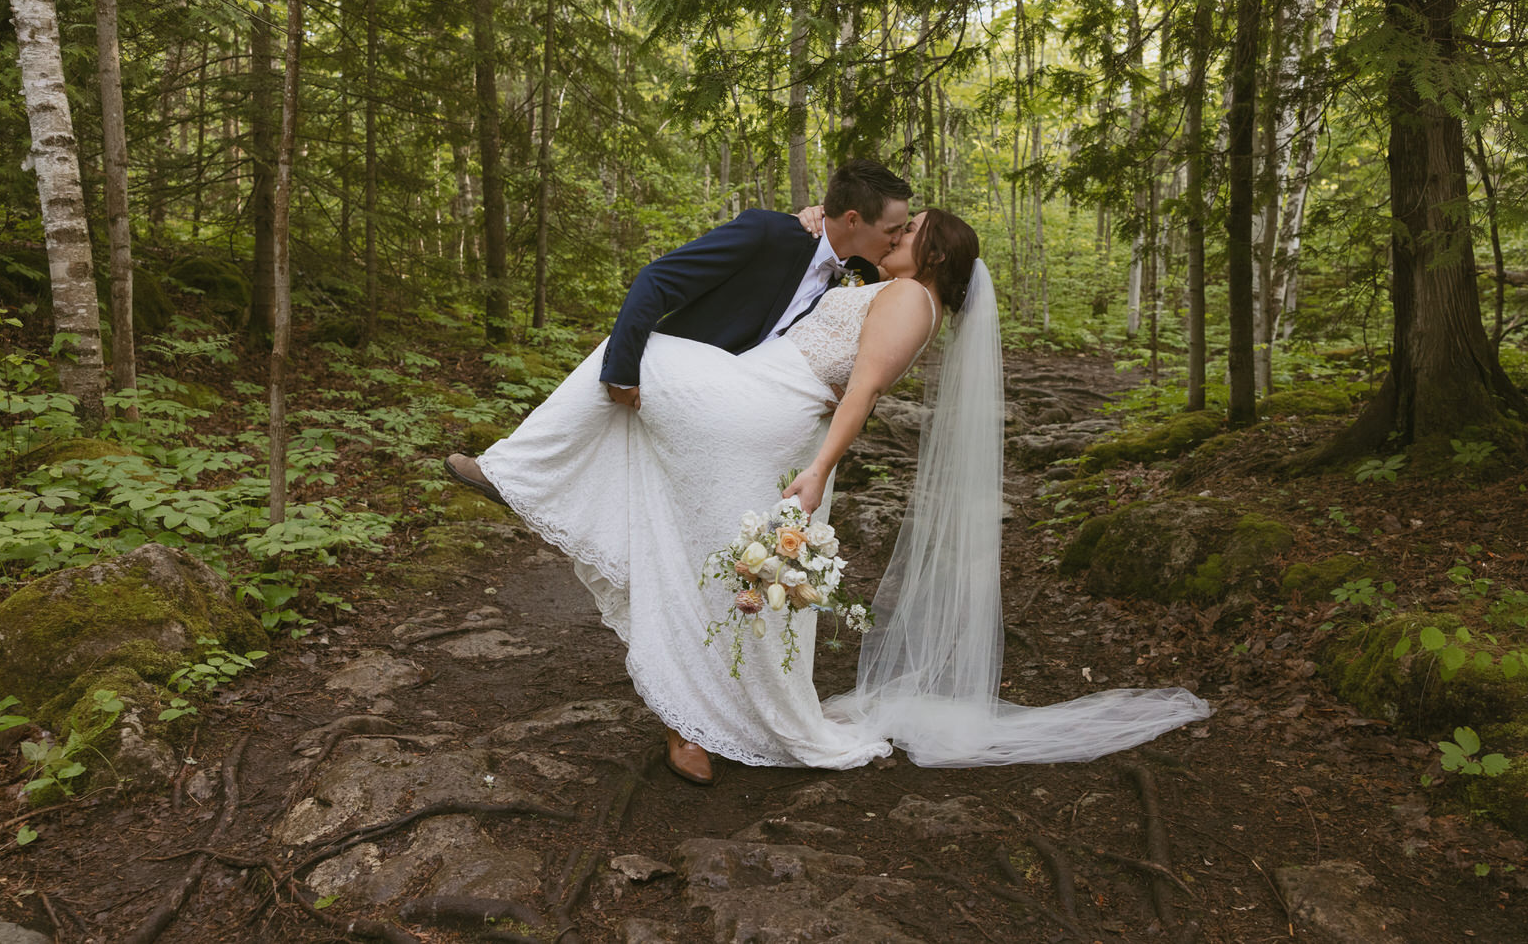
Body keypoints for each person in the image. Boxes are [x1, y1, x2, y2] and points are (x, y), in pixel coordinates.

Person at [449, 201, 1210, 783]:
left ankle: (518, 472)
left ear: (931, 253)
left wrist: (817, 470)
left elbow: (863, 392)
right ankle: (689, 720)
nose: (893, 238)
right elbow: (825, 294)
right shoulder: (891, 291)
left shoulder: (912, 301)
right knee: (707, 553)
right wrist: (817, 229)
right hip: (756, 400)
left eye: (906, 231)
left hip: (763, 408)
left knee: (629, 350)